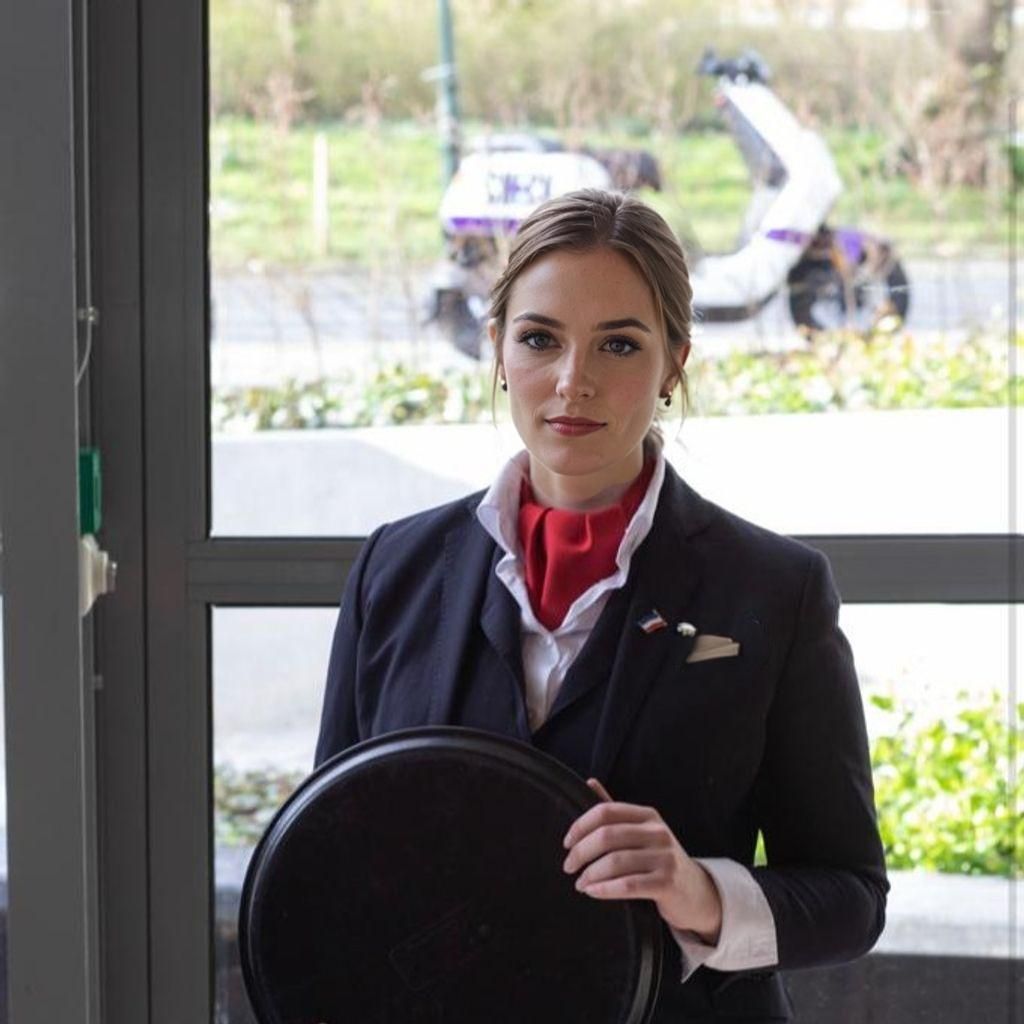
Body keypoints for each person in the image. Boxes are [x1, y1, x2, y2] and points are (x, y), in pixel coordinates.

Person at [315, 188, 887, 1022]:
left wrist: (700, 891)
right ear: (497, 350)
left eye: (619, 344)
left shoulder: (775, 588)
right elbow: (327, 851)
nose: (572, 381)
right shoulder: (392, 570)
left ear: (674, 364)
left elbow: (851, 898)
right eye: (539, 339)